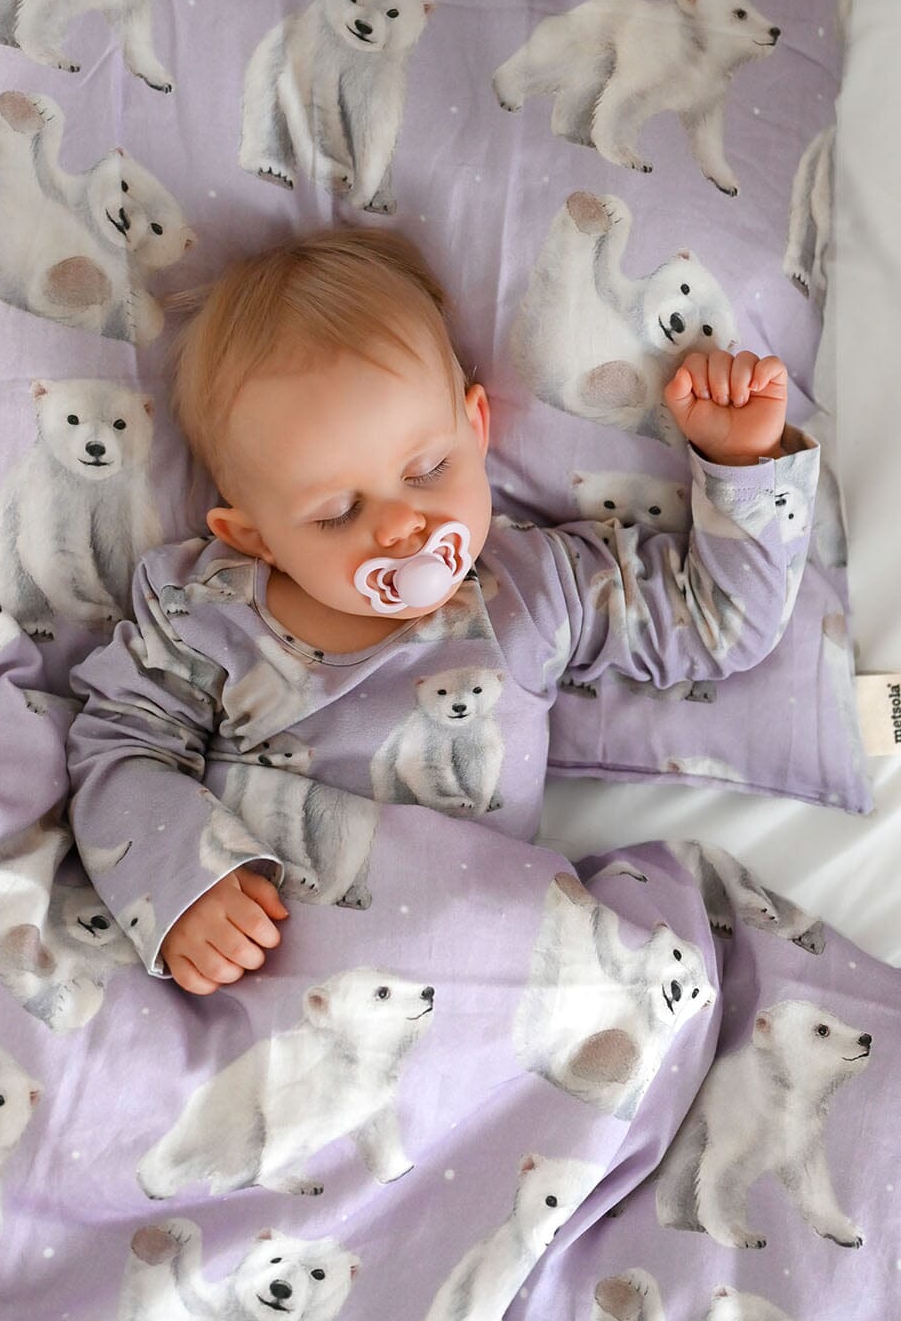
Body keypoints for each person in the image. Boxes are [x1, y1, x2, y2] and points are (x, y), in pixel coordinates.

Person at [65, 226, 819, 996]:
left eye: (428, 469)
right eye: (337, 513)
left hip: (477, 964)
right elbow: (117, 745)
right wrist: (185, 882)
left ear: (476, 428)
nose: (402, 526)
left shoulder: (534, 588)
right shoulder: (204, 614)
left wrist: (739, 463)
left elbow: (716, 623)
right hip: (288, 976)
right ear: (254, 537)